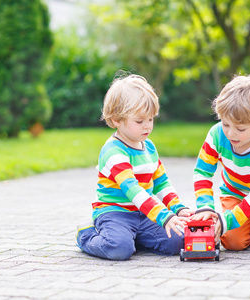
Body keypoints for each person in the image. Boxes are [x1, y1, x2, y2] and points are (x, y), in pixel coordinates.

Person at [76, 73, 193, 260]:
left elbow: (161, 183)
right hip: (115, 213)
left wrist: (178, 209)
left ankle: (133, 237)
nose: (147, 126)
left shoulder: (149, 147)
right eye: (139, 121)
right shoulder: (114, 152)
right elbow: (133, 190)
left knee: (178, 241)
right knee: (119, 249)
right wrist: (164, 216)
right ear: (116, 120)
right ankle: (86, 235)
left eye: (151, 119)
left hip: (143, 213)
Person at [192, 74, 250, 252]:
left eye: (240, 128)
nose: (231, 134)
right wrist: (205, 206)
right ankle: (248, 227)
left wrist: (226, 220)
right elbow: (202, 172)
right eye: (226, 124)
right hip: (234, 191)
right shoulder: (216, 134)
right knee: (233, 243)